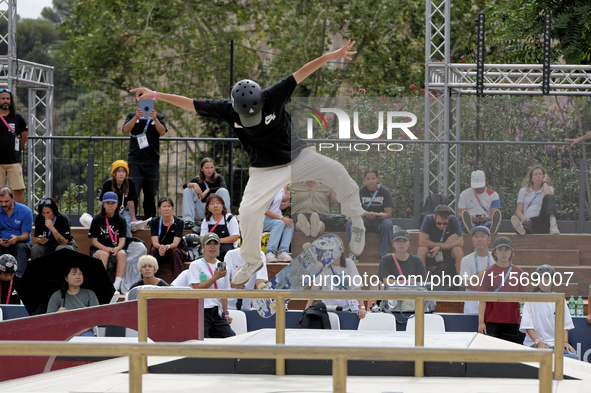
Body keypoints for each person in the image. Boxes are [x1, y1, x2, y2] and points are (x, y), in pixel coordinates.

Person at [131, 40, 366, 285]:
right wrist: (155, 95)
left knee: (338, 171)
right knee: (248, 211)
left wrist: (332, 55)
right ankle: (252, 259)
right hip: (265, 170)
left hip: (299, 157)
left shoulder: (275, 94)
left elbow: (304, 71)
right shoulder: (226, 109)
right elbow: (190, 103)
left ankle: (356, 219)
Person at [519, 264, 578, 360]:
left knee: (573, 357)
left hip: (555, 344)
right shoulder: (530, 299)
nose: (543, 282)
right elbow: (528, 327)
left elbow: (565, 325)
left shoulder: (559, 299)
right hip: (534, 344)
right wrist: (539, 343)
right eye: (540, 278)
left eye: (547, 278)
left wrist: (565, 342)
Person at [122, 102, 168, 219]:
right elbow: (125, 130)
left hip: (152, 161)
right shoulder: (132, 115)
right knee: (133, 192)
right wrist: (136, 117)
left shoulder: (158, 117)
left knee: (150, 193)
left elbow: (162, 132)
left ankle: (150, 219)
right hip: (135, 160)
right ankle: (132, 218)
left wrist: (155, 118)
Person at [188, 232, 236, 338]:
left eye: (215, 243)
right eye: (209, 244)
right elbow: (196, 288)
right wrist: (215, 277)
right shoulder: (195, 265)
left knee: (232, 339)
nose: (212, 246)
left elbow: (224, 293)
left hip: (217, 311)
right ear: (203, 247)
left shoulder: (222, 267)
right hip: (202, 310)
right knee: (202, 343)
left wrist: (226, 313)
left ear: (219, 246)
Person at [477, 237, 525, 343]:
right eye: (500, 249)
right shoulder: (488, 272)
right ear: (495, 252)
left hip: (512, 320)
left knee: (511, 353)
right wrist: (481, 322)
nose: (504, 253)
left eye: (506, 249)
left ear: (511, 252)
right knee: (492, 352)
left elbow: (523, 298)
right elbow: (482, 300)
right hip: (492, 320)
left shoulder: (518, 271)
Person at [346, 169, 394, 260]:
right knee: (350, 224)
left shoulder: (385, 192)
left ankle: (384, 254)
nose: (370, 181)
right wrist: (364, 214)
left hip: (379, 221)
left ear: (377, 178)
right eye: (368, 179)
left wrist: (378, 215)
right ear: (364, 179)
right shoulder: (359, 192)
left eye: (373, 178)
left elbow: (388, 213)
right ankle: (354, 253)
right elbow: (353, 212)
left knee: (387, 224)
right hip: (364, 220)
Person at [305, 254, 367, 319]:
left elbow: (356, 287)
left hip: (348, 309)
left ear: (342, 250)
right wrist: (307, 307)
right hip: (329, 309)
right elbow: (315, 288)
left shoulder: (349, 263)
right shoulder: (323, 265)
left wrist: (362, 307)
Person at [88, 192, 128, 292]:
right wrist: (104, 248)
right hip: (99, 249)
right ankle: (101, 284)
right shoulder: (97, 219)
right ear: (103, 204)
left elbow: (122, 240)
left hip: (115, 248)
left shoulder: (121, 220)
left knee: (122, 254)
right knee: (104, 255)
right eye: (108, 203)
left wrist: (118, 248)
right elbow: (94, 241)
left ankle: (116, 285)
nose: (110, 206)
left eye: (113, 203)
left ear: (117, 204)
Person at [417, 204, 464, 288]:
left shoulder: (453, 220)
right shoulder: (428, 219)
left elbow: (460, 242)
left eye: (445, 224)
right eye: (439, 223)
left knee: (458, 250)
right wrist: (445, 243)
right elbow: (422, 242)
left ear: (448, 218)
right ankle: (422, 280)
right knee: (421, 250)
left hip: (447, 251)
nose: (442, 226)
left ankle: (461, 281)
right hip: (432, 252)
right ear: (434, 218)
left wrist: (442, 247)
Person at [182, 157, 231, 229]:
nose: (210, 170)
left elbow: (224, 187)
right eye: (207, 168)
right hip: (201, 210)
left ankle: (226, 217)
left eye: (212, 167)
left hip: (214, 211)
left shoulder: (219, 178)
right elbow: (184, 185)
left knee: (223, 191)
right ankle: (188, 221)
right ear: (201, 169)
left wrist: (208, 190)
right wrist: (194, 185)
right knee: (187, 190)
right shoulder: (197, 179)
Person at [511, 164, 559, 235]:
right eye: (535, 174)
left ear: (544, 176)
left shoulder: (548, 188)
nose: (538, 176)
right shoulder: (523, 191)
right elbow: (518, 211)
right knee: (526, 225)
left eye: (540, 174)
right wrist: (523, 218)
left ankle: (553, 225)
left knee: (548, 196)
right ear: (531, 178)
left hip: (543, 221)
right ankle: (522, 228)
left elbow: (549, 196)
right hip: (529, 220)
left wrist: (545, 182)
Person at [0, 88, 27, 204]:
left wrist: (16, 150)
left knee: (18, 189)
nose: (5, 101)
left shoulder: (18, 118)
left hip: (14, 161)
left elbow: (24, 137)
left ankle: (20, 215)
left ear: (11, 101)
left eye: (8, 98)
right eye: (2, 98)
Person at [149, 197, 187, 279]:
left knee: (174, 252)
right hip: (160, 249)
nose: (166, 209)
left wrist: (166, 247)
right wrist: (161, 248)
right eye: (164, 206)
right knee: (153, 251)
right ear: (159, 209)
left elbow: (175, 243)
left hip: (174, 249)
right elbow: (155, 243)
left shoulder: (179, 222)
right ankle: (149, 279)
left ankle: (179, 281)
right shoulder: (154, 222)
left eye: (169, 206)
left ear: (172, 208)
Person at [459, 226, 494, 314]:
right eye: (476, 236)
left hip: (492, 302)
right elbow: (464, 283)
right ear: (472, 240)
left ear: (489, 240)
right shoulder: (466, 260)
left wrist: (475, 280)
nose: (479, 239)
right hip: (472, 302)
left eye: (482, 236)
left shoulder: (496, 259)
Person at [0, 186, 32, 277]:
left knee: (21, 247)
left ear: (13, 198)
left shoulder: (25, 211)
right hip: (2, 245)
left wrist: (17, 238)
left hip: (20, 244)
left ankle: (18, 278)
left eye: (6, 201)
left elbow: (26, 236)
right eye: (0, 201)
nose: (3, 204)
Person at [99, 160, 138, 233]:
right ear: (114, 173)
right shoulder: (108, 184)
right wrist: (101, 215)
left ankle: (127, 242)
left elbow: (130, 202)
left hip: (125, 210)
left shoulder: (130, 183)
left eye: (123, 172)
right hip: (110, 209)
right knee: (106, 223)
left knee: (126, 223)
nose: (121, 174)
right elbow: (103, 202)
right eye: (119, 172)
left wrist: (133, 219)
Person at [199, 194, 239, 262]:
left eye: (218, 203)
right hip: (210, 245)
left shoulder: (230, 218)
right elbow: (202, 238)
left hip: (226, 246)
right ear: (208, 208)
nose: (215, 206)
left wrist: (217, 241)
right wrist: (212, 243)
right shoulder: (207, 220)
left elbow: (235, 237)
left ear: (223, 206)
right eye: (212, 204)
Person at [263, 185, 293, 262]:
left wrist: (289, 203)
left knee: (290, 223)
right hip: (262, 220)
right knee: (279, 223)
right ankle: (269, 253)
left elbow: (277, 206)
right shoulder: (267, 188)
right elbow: (264, 210)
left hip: (275, 219)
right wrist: (281, 217)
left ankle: (283, 252)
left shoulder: (280, 188)